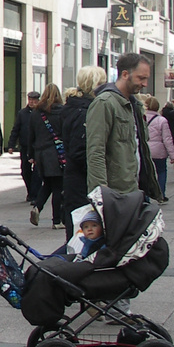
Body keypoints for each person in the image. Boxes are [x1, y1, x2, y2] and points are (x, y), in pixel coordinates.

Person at [85, 53, 155, 197]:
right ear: (125, 74)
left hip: (134, 190)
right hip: (116, 193)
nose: (145, 84)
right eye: (141, 78)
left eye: (146, 79)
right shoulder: (105, 103)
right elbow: (96, 151)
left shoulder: (134, 105)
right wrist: (101, 193)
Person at [59, 67, 104, 234]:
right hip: (82, 182)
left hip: (77, 180)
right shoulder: (84, 111)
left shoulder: (77, 107)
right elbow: (79, 151)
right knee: (84, 232)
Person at [22, 85, 67, 229]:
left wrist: (31, 154)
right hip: (56, 154)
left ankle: (37, 207)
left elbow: (31, 135)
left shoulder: (36, 113)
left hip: (41, 154)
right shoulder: (62, 112)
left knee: (47, 184)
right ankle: (57, 220)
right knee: (57, 187)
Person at [7, 91, 43, 203]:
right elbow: (16, 129)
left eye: (34, 100)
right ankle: (30, 191)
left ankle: (35, 195)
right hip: (25, 146)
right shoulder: (22, 113)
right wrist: (11, 144)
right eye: (30, 100)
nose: (32, 102)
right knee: (25, 171)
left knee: (37, 172)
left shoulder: (41, 113)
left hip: (38, 146)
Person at [143, 95, 174, 199]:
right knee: (161, 172)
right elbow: (167, 138)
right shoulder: (162, 120)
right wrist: (172, 154)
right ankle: (161, 194)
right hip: (159, 151)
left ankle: (146, 195)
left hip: (145, 150)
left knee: (147, 174)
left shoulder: (140, 117)